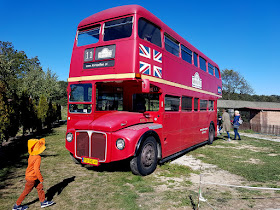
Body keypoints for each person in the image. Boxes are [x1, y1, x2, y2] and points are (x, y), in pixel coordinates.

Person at [13, 138, 54, 210]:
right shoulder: (38, 157)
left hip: (31, 176)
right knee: (26, 191)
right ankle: (17, 205)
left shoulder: (31, 155)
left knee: (40, 188)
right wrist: (41, 179)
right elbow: (36, 169)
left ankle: (43, 202)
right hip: (32, 178)